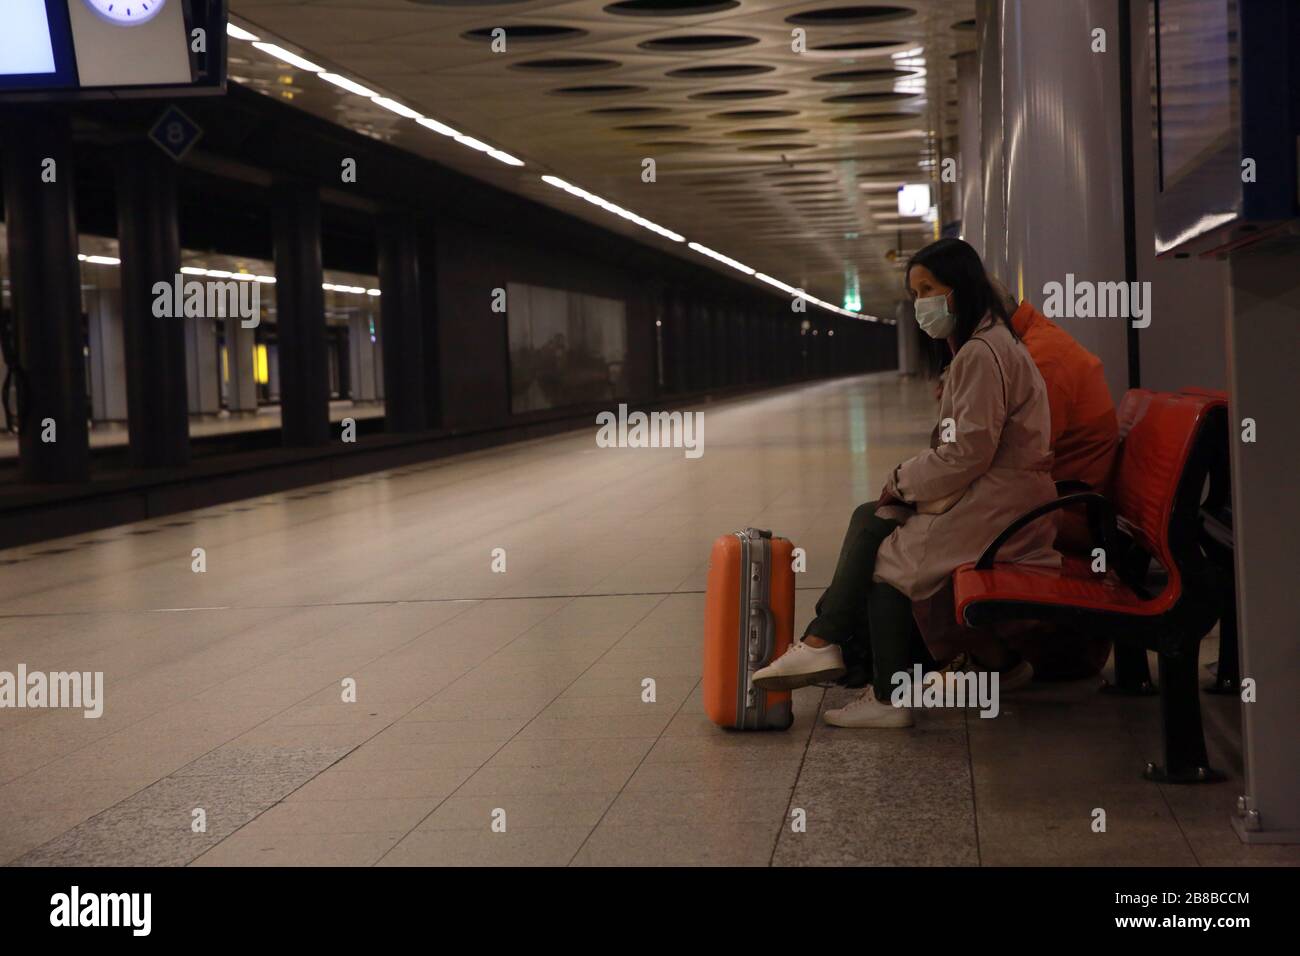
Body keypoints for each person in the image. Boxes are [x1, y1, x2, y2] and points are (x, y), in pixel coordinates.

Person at [752, 238, 1061, 728]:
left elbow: (967, 452)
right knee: (870, 517)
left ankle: (885, 695)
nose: (921, 303)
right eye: (914, 293)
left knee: (891, 557)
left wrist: (902, 480)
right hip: (998, 493)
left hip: (1005, 505)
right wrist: (906, 484)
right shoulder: (986, 344)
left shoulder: (983, 352)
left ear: (958, 289)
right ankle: (824, 641)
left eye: (928, 289)